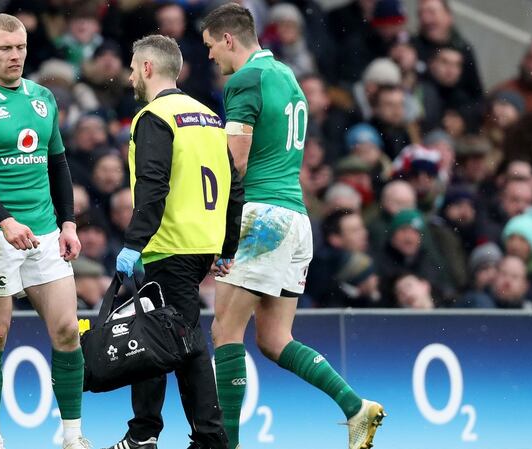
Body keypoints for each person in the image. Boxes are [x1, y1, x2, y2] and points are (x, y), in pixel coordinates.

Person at [200, 5, 385, 449]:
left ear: (229, 40)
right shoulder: (288, 76)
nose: (209, 57)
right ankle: (356, 407)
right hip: (296, 218)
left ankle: (227, 444)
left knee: (225, 331)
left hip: (261, 217)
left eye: (210, 47)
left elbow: (236, 160)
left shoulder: (244, 79)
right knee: (274, 338)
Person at [0, 14, 88, 449]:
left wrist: (68, 222)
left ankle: (72, 435)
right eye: (5, 48)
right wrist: (5, 221)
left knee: (67, 329)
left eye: (21, 47)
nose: (15, 56)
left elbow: (58, 163)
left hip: (45, 232)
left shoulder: (44, 98)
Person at [104, 34, 244, 449]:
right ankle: (143, 432)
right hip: (201, 243)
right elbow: (235, 187)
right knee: (153, 335)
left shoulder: (154, 116)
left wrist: (134, 242)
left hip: (170, 244)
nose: (130, 75)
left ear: (147, 68)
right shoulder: (208, 117)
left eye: (132, 66)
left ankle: (210, 439)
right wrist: (226, 246)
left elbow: (152, 184)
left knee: (185, 342)